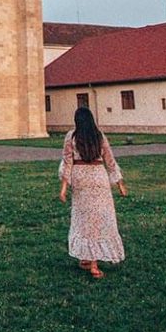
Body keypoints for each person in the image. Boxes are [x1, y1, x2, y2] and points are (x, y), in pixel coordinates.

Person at [59, 106, 128, 279]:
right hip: (99, 177)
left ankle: (91, 262)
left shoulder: (71, 136)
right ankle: (91, 261)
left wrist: (63, 188)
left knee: (84, 220)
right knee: (101, 218)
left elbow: (67, 163)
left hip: (81, 178)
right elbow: (110, 160)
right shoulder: (100, 136)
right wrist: (120, 184)